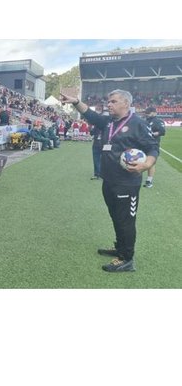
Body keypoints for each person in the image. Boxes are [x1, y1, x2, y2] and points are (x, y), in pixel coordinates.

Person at [62, 87, 158, 273]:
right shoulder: (108, 122)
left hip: (127, 183)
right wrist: (76, 102)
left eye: (113, 101)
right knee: (116, 216)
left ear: (126, 103)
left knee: (126, 221)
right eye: (108, 101)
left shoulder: (138, 123)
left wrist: (146, 164)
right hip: (109, 181)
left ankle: (127, 259)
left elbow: (153, 148)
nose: (109, 104)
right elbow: (90, 114)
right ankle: (120, 247)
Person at [143, 106, 166, 188]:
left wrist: (152, 134)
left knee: (151, 163)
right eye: (146, 113)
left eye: (148, 113)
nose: (147, 114)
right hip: (142, 144)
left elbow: (162, 132)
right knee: (139, 159)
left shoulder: (158, 121)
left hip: (153, 145)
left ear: (154, 113)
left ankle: (149, 180)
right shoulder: (144, 120)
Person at [89, 102, 105, 179]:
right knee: (96, 159)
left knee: (104, 159)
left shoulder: (105, 119)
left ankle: (103, 173)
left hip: (104, 143)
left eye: (99, 107)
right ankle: (97, 174)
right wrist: (91, 127)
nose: (97, 109)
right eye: (96, 107)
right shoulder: (94, 121)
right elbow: (91, 133)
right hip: (96, 143)